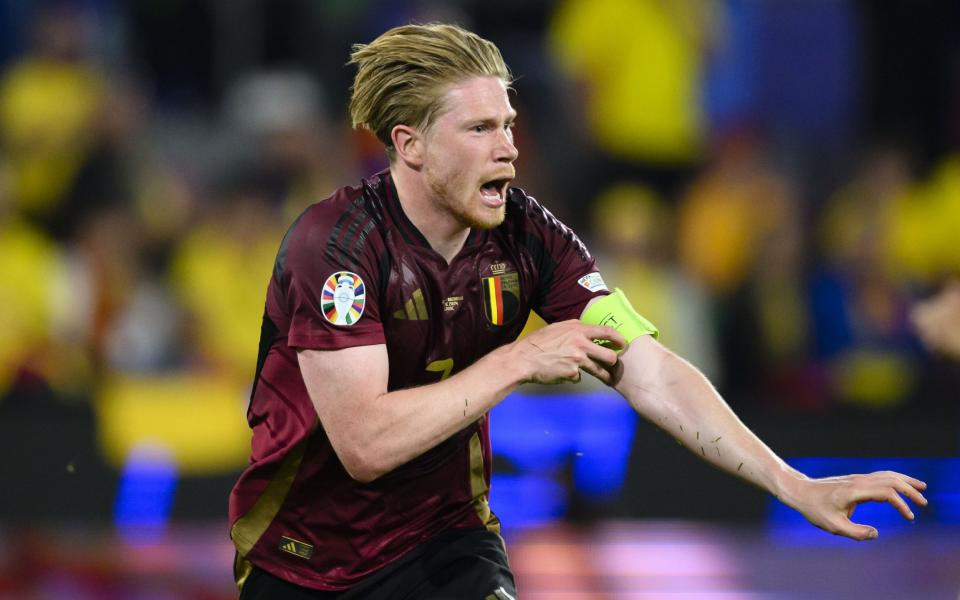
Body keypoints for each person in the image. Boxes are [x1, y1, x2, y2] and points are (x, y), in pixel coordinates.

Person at [228, 23, 928, 600]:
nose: (509, 148)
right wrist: (519, 358)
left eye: (508, 124)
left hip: (444, 547)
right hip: (303, 562)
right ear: (410, 145)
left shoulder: (531, 238)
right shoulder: (337, 247)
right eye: (479, 129)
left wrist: (791, 482)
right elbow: (364, 446)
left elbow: (650, 369)